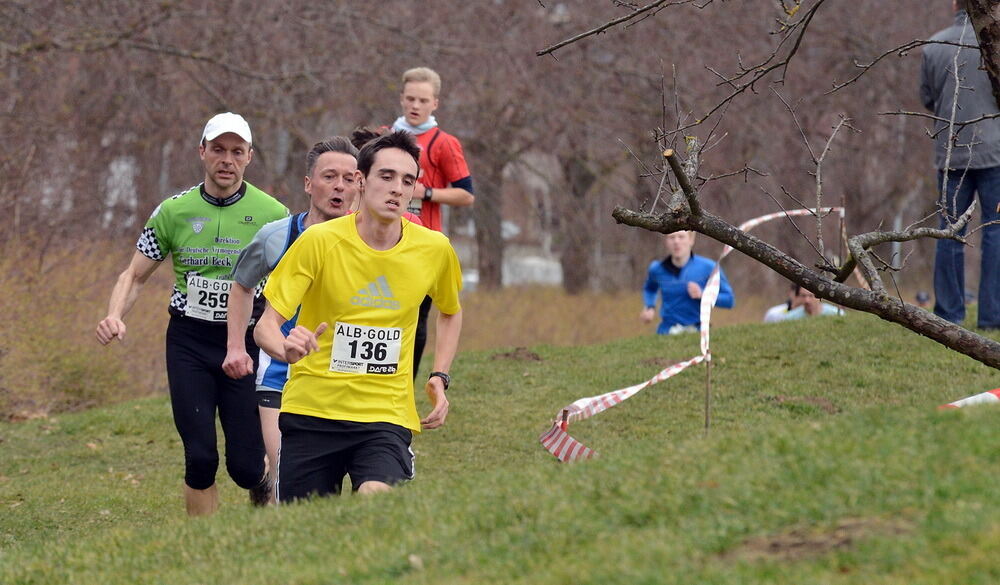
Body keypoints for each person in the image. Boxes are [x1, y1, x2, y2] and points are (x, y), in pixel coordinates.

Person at [95, 112, 289, 516]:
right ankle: (203, 553)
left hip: (247, 343)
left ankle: (262, 479)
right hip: (189, 341)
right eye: (218, 149)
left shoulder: (273, 214)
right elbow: (134, 274)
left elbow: (294, 280)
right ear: (202, 152)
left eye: (237, 152)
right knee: (200, 457)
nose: (227, 160)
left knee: (245, 466)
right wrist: (115, 314)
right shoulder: (172, 211)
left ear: (249, 157)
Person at [254, 130, 463, 502]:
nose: (397, 188)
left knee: (375, 500)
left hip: (385, 415)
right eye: (386, 176)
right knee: (308, 532)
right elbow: (266, 326)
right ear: (361, 181)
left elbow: (450, 311)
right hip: (312, 411)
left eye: (408, 180)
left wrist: (439, 375)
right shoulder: (319, 241)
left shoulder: (434, 249)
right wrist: (285, 347)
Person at [222, 137, 362, 503]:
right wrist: (236, 347)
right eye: (330, 176)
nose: (340, 186)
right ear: (308, 184)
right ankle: (273, 500)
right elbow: (241, 286)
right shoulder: (277, 236)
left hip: (345, 373)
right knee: (291, 473)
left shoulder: (369, 239)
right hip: (280, 372)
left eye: (349, 178)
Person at [920, 0, 1000, 330]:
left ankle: (949, 315)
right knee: (995, 233)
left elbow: (927, 98)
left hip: (951, 154)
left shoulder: (934, 46)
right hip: (996, 153)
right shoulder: (995, 46)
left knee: (950, 233)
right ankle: (992, 316)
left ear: (956, 4)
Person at [391, 67, 474, 378]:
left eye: (423, 100)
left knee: (416, 317)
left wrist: (425, 192)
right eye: (410, 98)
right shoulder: (385, 135)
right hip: (380, 239)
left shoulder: (443, 142)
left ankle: (406, 389)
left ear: (435, 104)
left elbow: (466, 195)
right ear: (401, 98)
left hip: (422, 242)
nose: (415, 105)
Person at [640, 230, 734, 334]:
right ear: (666, 241)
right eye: (672, 237)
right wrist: (650, 306)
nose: (676, 241)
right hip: (666, 331)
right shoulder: (657, 268)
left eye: (681, 237)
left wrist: (703, 295)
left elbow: (729, 300)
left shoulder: (709, 267)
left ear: (691, 240)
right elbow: (650, 289)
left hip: (698, 331)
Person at [779, 285, 844, 321]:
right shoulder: (791, 318)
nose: (807, 300)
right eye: (803, 296)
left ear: (819, 296)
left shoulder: (836, 314)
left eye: (811, 296)